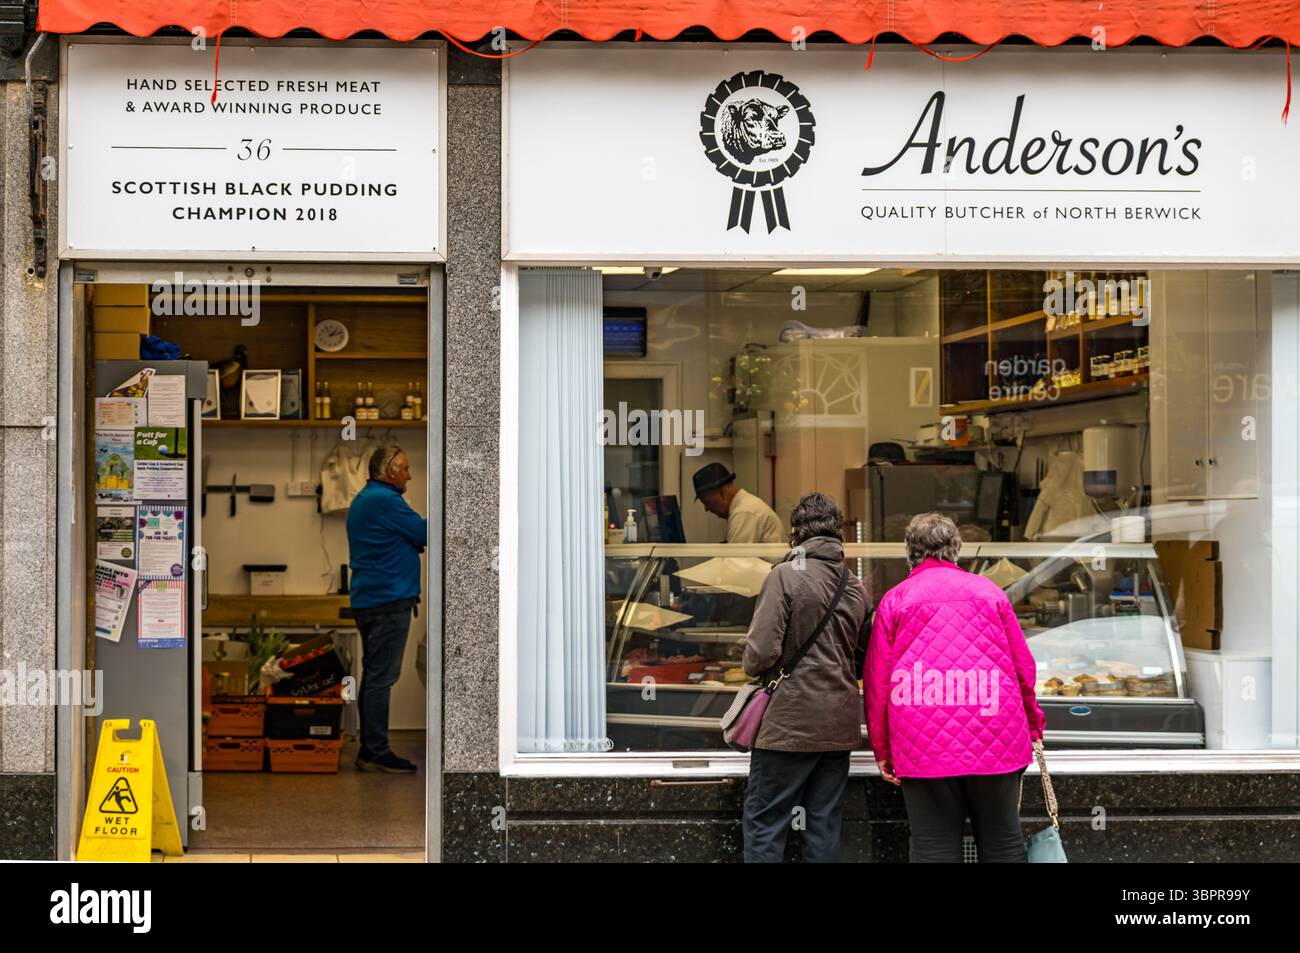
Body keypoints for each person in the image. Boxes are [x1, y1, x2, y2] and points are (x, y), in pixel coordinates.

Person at [864, 512, 1046, 862]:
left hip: (922, 742)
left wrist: (882, 749)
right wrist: (1034, 725)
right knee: (1004, 845)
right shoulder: (991, 593)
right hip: (998, 736)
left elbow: (877, 683)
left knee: (933, 848)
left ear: (910, 551)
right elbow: (1023, 669)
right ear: (956, 549)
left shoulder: (895, 600)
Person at [741, 492, 869, 863]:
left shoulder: (784, 576)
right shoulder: (855, 586)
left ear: (796, 533)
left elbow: (760, 655)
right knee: (823, 827)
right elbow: (860, 661)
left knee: (766, 824)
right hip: (837, 727)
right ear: (837, 533)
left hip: (789, 727)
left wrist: (750, 657)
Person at [346, 445, 427, 773]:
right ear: (390, 472)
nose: (409, 474)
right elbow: (426, 533)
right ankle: (375, 750)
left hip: (373, 600)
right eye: (405, 468)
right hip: (387, 603)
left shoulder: (368, 499)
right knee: (381, 677)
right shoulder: (385, 501)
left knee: (375, 675)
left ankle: (370, 748)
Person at [693, 462, 785, 543]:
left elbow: (737, 561)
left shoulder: (744, 512)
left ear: (723, 491)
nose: (707, 509)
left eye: (707, 502)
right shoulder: (744, 507)